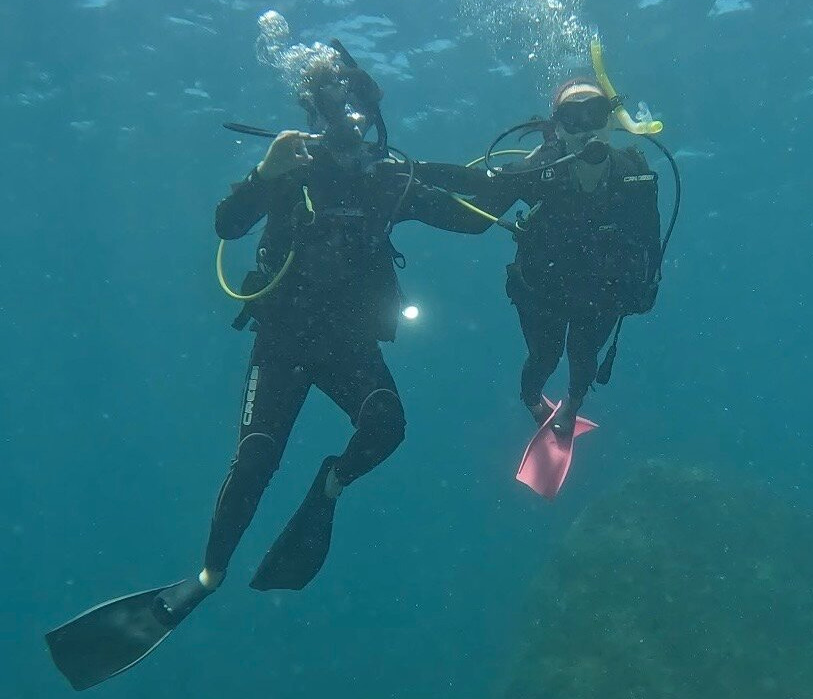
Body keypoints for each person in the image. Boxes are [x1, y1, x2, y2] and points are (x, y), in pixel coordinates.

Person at [45, 40, 487, 691]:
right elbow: (228, 226)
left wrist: (537, 177)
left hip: (347, 343)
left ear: (371, 114)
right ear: (313, 114)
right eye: (334, 111)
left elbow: (471, 220)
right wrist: (263, 172)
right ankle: (204, 580)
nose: (348, 125)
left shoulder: (387, 179)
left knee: (386, 425)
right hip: (282, 340)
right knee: (255, 458)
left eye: (359, 111)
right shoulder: (291, 168)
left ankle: (328, 487)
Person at [413, 75, 664, 496]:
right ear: (558, 127)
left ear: (612, 120)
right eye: (571, 117)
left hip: (602, 293)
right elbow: (479, 195)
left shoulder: (634, 172)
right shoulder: (540, 169)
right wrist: (412, 174)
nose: (585, 126)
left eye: (595, 113)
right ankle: (535, 404)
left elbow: (650, 243)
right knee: (543, 358)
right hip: (543, 291)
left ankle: (570, 410)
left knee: (584, 358)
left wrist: (642, 286)